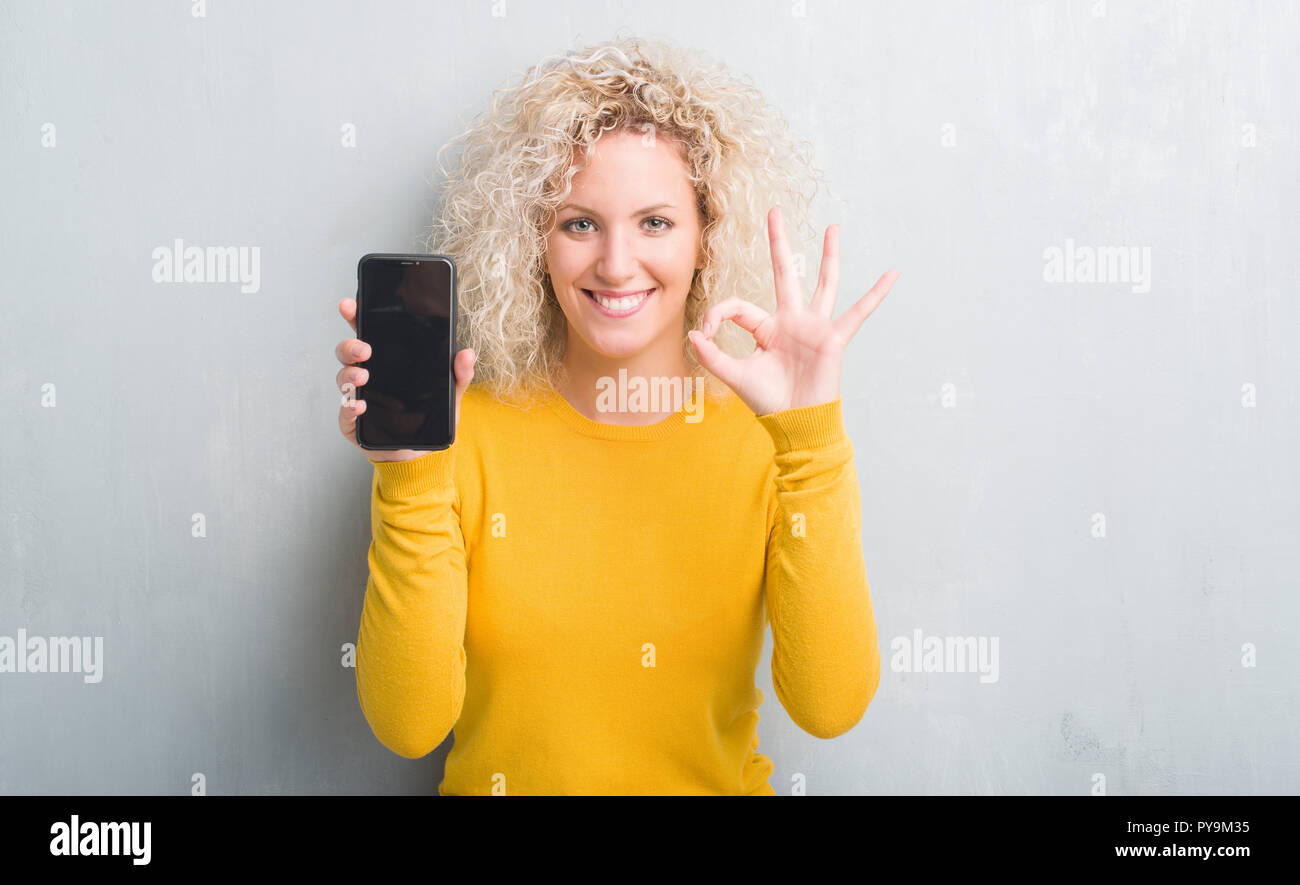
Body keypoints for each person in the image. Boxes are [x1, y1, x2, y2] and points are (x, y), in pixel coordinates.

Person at [333, 35, 899, 795]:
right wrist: (407, 482)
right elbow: (409, 724)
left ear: (707, 236)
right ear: (536, 240)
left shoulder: (771, 442)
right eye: (579, 223)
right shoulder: (462, 437)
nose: (617, 263)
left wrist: (812, 441)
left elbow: (830, 706)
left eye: (656, 223)